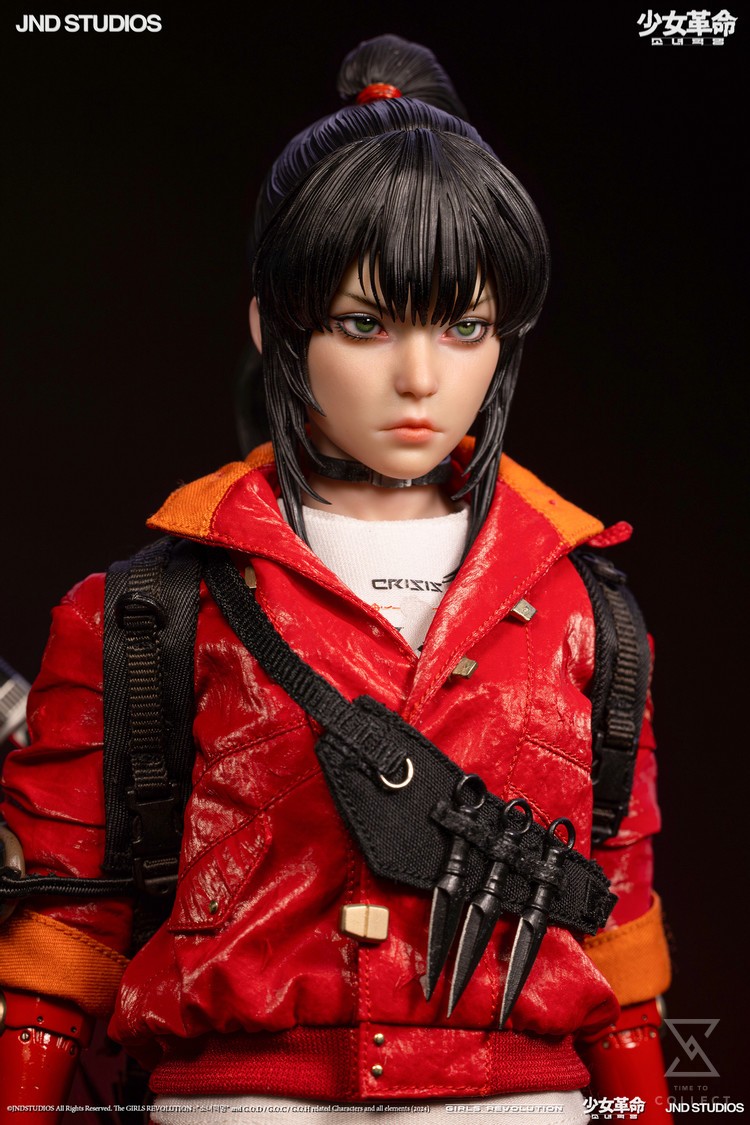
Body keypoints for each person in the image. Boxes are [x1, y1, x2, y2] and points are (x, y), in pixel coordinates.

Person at [0, 34, 672, 1125]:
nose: (420, 376)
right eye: (366, 324)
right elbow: (58, 945)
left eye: (464, 325)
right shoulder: (150, 612)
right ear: (277, 325)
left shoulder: (586, 611)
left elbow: (619, 938)